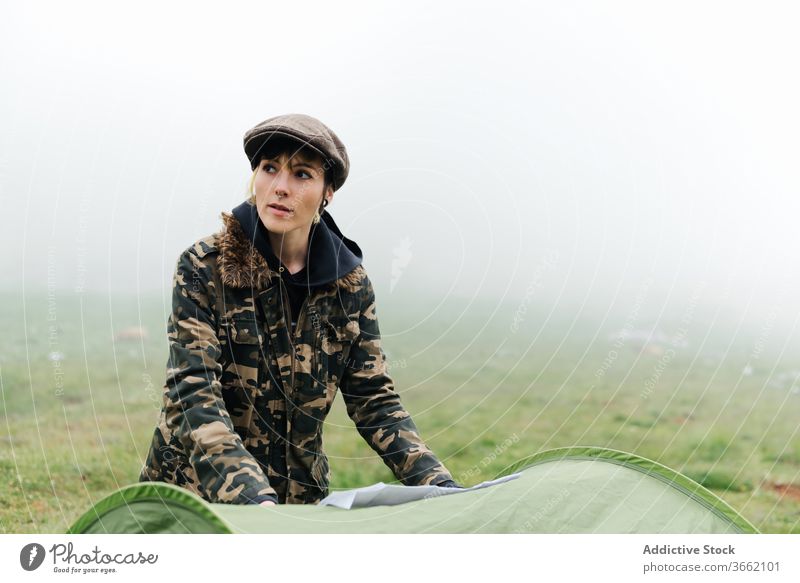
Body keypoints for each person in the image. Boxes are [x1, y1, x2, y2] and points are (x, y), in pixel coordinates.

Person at [139, 113, 460, 505]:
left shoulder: (351, 287)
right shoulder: (204, 267)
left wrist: (440, 487)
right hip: (195, 501)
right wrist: (253, 497)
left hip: (300, 504)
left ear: (328, 192)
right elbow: (193, 395)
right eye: (269, 168)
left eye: (302, 174)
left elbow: (374, 401)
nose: (280, 187)